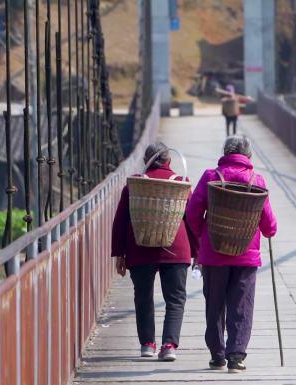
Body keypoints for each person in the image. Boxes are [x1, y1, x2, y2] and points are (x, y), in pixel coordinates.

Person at [186, 135, 277, 373]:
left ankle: (217, 355)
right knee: (242, 304)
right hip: (246, 255)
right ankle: (236, 356)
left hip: (214, 254)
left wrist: (202, 236)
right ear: (247, 156)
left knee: (214, 303)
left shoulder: (211, 177)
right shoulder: (256, 179)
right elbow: (269, 225)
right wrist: (270, 230)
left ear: (225, 152)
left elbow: (192, 213)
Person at [111, 142, 199, 362]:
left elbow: (121, 221)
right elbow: (193, 221)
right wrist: (198, 252)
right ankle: (169, 345)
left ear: (145, 161)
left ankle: (147, 344)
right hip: (176, 249)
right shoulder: (182, 184)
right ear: (169, 161)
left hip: (140, 249)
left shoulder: (135, 185)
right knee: (176, 298)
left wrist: (119, 254)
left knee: (143, 297)